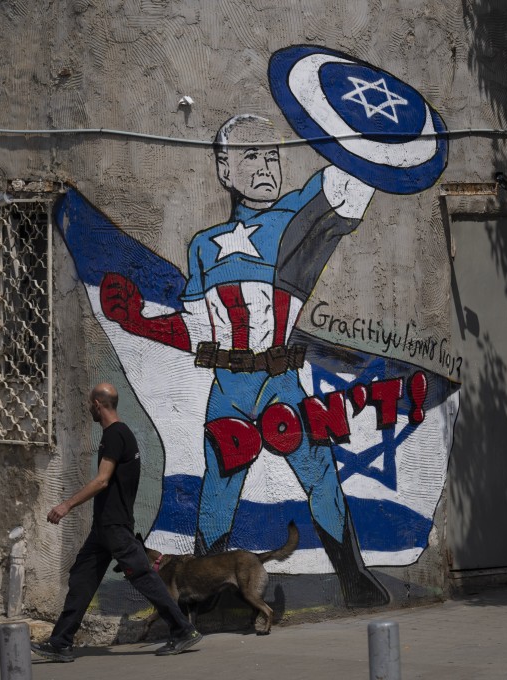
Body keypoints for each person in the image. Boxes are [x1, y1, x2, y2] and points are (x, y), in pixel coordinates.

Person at [100, 114, 389, 608]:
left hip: (281, 381)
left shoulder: (298, 215)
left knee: (319, 473)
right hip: (228, 386)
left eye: (272, 155)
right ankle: (211, 598)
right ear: (223, 168)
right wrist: (138, 322)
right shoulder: (202, 245)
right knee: (217, 492)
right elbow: (198, 330)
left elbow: (350, 184)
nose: (265, 166)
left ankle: (353, 579)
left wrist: (372, 125)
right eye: (251, 155)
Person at [31, 383, 202, 661]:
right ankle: (61, 642)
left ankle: (183, 629)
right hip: (104, 528)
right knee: (82, 579)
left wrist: (66, 505)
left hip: (114, 526)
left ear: (98, 404)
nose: (88, 408)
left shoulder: (114, 435)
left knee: (144, 577)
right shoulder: (121, 434)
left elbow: (102, 480)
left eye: (90, 404)